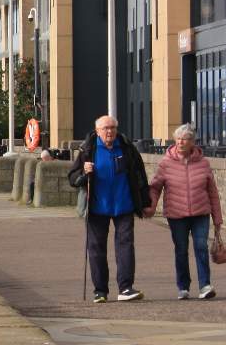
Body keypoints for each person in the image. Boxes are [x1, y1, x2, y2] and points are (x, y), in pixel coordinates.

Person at [68, 115, 151, 303]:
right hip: (97, 206)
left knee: (126, 247)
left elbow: (140, 176)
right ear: (97, 131)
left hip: (124, 205)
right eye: (105, 128)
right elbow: (72, 178)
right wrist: (83, 172)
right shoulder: (88, 150)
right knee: (96, 249)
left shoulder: (127, 148)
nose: (110, 131)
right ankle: (100, 290)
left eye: (113, 127)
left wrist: (145, 202)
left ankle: (126, 288)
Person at [147, 124, 221, 300]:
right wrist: (150, 206)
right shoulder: (166, 163)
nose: (180, 142)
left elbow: (213, 192)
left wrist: (217, 219)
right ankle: (183, 287)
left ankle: (205, 285)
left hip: (200, 213)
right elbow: (155, 187)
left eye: (185, 139)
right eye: (178, 138)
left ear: (192, 142)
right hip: (176, 214)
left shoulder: (204, 163)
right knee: (181, 250)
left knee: (201, 247)